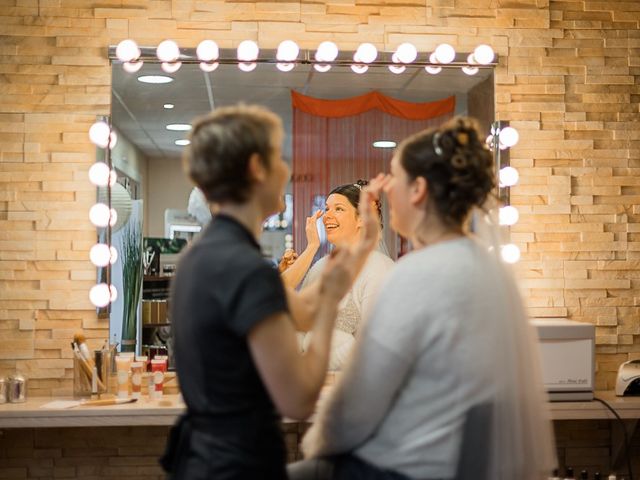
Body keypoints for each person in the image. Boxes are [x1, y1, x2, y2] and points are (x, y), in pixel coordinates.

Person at [288, 117, 556, 480]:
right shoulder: (490, 270)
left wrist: (317, 441)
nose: (384, 191)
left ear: (417, 190)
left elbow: (354, 409)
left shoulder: (415, 273)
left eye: (394, 179)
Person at [162, 104, 379, 480]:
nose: (287, 170)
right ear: (256, 169)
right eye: (279, 158)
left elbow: (299, 310)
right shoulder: (244, 269)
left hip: (202, 458)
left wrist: (351, 260)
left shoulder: (205, 255)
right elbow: (299, 399)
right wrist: (330, 305)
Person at [282, 180, 394, 370]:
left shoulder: (379, 268)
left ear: (361, 219)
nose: (327, 216)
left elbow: (379, 342)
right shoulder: (321, 266)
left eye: (339, 209)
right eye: (326, 209)